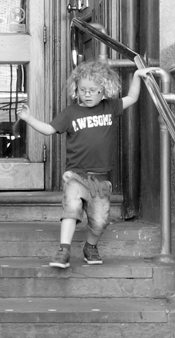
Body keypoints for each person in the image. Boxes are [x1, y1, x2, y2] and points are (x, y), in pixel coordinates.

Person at [19, 60, 142, 269]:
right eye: (83, 90)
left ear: (104, 89)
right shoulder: (71, 113)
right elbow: (49, 129)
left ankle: (90, 247)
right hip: (76, 175)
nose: (87, 94)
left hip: (100, 180)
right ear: (76, 89)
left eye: (93, 90)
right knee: (71, 208)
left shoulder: (110, 107)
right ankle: (64, 250)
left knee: (99, 221)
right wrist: (28, 118)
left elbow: (132, 97)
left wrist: (138, 75)